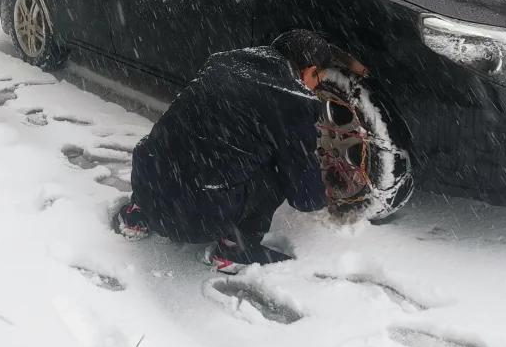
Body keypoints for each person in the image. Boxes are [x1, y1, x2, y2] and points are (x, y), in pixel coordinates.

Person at [113, 29, 363, 273]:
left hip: (148, 186)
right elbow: (305, 199)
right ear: (309, 70)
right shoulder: (294, 101)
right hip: (198, 219)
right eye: (318, 79)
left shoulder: (221, 63)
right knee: (278, 169)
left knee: (173, 140)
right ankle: (234, 249)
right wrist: (324, 189)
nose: (315, 87)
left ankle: (136, 216)